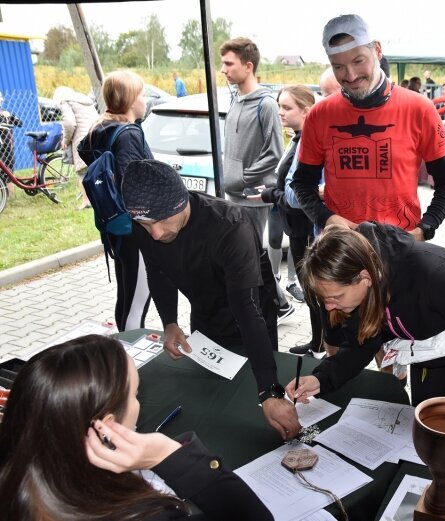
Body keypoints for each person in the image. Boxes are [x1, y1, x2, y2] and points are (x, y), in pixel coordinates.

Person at [0, 334, 273, 520]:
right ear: (107, 428)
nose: (138, 402)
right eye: (135, 394)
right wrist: (168, 454)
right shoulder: (147, 513)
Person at [121, 159, 300, 440]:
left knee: (248, 399)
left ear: (181, 204)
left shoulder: (230, 227)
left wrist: (270, 390)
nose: (154, 233)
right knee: (212, 400)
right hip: (204, 314)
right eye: (144, 224)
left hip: (251, 317)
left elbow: (248, 310)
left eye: (161, 221)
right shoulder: (144, 225)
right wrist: (169, 322)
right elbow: (157, 270)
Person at [286, 223, 445, 405]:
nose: (329, 307)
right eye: (325, 299)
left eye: (335, 297)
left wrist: (434, 351)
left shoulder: (432, 273)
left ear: (365, 278)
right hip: (429, 345)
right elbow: (361, 345)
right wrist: (321, 379)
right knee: (423, 411)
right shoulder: (359, 292)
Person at [292, 13, 445, 243]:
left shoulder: (419, 108)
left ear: (378, 50)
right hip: (343, 252)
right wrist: (327, 219)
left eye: (358, 61)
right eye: (338, 67)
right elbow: (302, 183)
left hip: (401, 250)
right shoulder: (319, 115)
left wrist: (424, 229)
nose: (350, 75)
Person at [219, 37, 294, 325]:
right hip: (234, 192)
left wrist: (242, 178)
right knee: (245, 252)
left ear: (248, 66)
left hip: (252, 195)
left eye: (229, 63)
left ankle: (277, 302)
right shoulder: (235, 97)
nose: (224, 69)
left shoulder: (265, 104)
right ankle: (278, 302)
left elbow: (274, 152)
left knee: (249, 253)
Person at [78, 70, 152, 332]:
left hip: (114, 227)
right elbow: (135, 184)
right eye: (142, 94)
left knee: (126, 294)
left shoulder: (100, 129)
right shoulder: (129, 133)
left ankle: (123, 353)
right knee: (137, 303)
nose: (146, 100)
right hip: (136, 229)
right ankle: (130, 364)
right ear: (131, 99)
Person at [260, 85, 323, 356]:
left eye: (287, 107)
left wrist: (270, 194)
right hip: (296, 226)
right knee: (311, 288)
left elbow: (296, 193)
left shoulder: (307, 140)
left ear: (306, 110)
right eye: (279, 107)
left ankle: (320, 344)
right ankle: (318, 340)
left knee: (314, 287)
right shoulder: (297, 137)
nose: (280, 112)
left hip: (305, 225)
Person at [54, 86, 99, 210]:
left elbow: (69, 123)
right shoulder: (85, 102)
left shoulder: (65, 102)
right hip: (96, 136)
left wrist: (65, 140)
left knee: (82, 173)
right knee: (97, 169)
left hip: (82, 139)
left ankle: (86, 201)